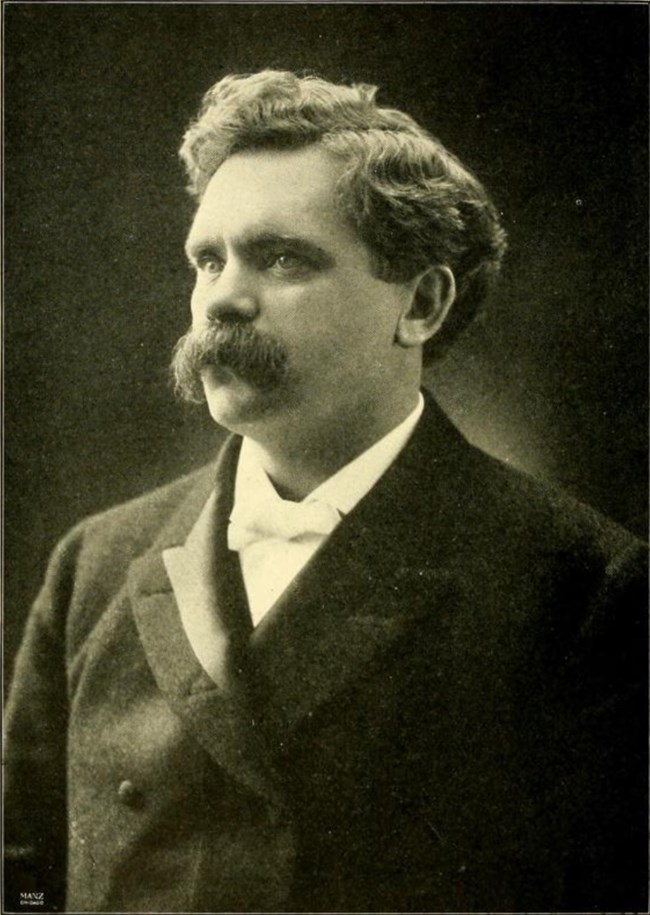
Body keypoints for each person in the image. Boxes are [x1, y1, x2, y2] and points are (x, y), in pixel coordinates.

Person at [4, 70, 647, 914]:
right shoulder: (96, 562)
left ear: (419, 303)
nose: (222, 298)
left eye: (280, 257)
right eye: (208, 259)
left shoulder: (583, 593)